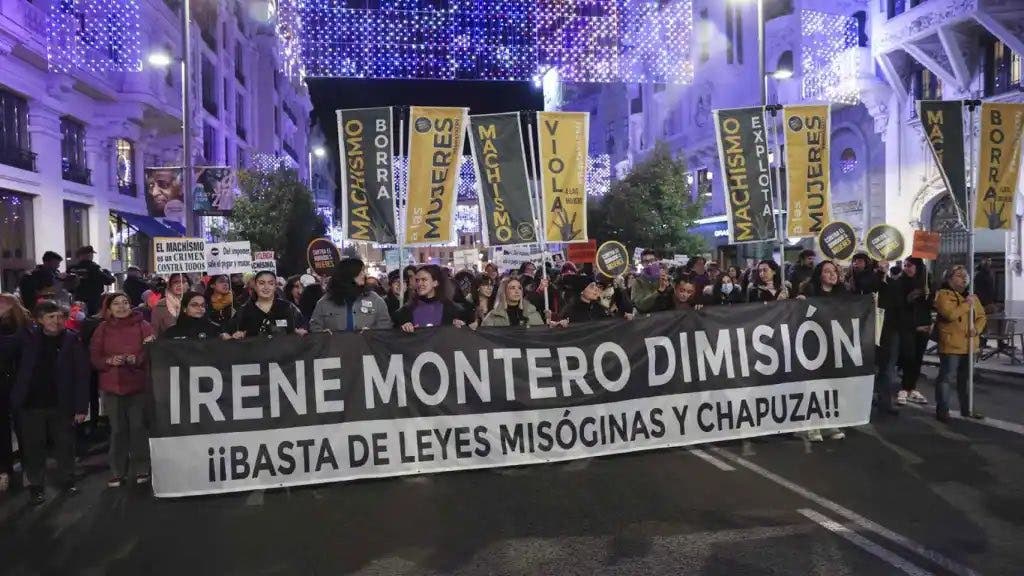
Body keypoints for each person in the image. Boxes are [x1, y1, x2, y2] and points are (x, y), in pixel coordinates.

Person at [11, 301, 89, 504]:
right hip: (31, 404)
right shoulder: (26, 338)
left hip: (61, 404)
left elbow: (81, 375)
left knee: (65, 445)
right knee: (33, 448)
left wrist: (81, 407)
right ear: (39, 320)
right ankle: (36, 486)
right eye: (51, 317)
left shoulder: (72, 339)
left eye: (59, 317)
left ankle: (67, 480)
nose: (56, 321)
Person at [89, 293, 155, 487]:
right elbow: (94, 357)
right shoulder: (102, 328)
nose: (122, 307)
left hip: (138, 386)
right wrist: (108, 361)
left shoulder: (144, 325)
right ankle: (118, 471)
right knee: (118, 431)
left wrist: (137, 359)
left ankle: (143, 468)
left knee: (138, 428)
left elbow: (151, 351)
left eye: (125, 302)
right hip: (112, 388)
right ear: (108, 308)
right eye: (116, 304)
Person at [794, 261, 848, 442]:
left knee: (831, 386)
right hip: (813, 346)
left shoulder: (843, 294)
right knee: (813, 386)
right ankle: (812, 426)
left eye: (834, 271)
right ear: (819, 275)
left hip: (834, 346)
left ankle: (828, 422)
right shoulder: (809, 293)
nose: (832, 274)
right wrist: (799, 303)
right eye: (827, 271)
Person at [933, 266, 987, 422]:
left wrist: (976, 329)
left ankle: (967, 408)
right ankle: (942, 409)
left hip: (970, 345)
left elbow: (982, 316)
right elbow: (950, 314)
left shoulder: (972, 297)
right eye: (959, 275)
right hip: (951, 344)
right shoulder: (943, 295)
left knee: (966, 379)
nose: (964, 278)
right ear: (949, 278)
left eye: (965, 276)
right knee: (946, 378)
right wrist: (966, 304)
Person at [878, 257, 932, 409]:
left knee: (918, 359)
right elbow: (897, 306)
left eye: (910, 266)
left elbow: (930, 307)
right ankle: (903, 388)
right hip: (906, 327)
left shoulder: (926, 284)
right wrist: (910, 298)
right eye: (906, 266)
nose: (907, 268)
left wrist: (928, 296)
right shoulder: (899, 283)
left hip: (923, 326)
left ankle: (911, 388)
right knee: (907, 356)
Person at [0, 294, 32, 493]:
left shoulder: (24, 329)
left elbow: (8, 350)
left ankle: (30, 470)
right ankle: (5, 470)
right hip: (4, 385)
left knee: (24, 429)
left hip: (19, 384)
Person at [310, 258, 393, 332]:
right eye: (360, 272)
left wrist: (372, 332)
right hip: (336, 348)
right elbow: (314, 326)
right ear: (348, 274)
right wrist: (323, 335)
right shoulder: (325, 302)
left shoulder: (375, 299)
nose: (364, 275)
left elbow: (385, 324)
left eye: (364, 271)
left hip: (367, 347)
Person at [226, 271, 308, 339]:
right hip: (254, 354)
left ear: (275, 286)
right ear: (255, 286)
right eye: (261, 283)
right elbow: (227, 331)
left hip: (283, 354)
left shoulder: (288, 307)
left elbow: (304, 326)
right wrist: (230, 335)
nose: (266, 287)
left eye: (270, 283)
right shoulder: (245, 309)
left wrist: (301, 331)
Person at [392, 265, 466, 332]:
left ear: (435, 283)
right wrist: (404, 327)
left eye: (424, 280)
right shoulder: (406, 311)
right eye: (417, 280)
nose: (419, 284)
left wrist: (460, 324)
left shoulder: (453, 309)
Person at [67, 245, 115, 315]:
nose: (92, 256)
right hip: (93, 301)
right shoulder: (94, 268)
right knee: (92, 320)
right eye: (91, 254)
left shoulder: (71, 269)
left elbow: (68, 286)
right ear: (88, 255)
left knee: (78, 318)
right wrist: (107, 273)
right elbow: (108, 280)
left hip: (77, 299)